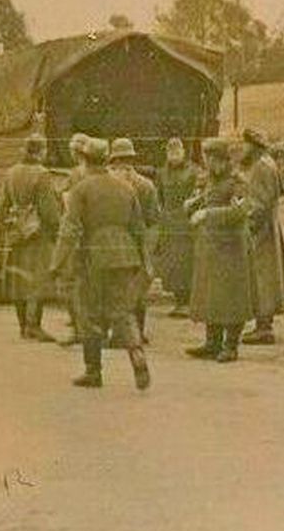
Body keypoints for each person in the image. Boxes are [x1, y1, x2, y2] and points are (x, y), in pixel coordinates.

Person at [48, 138, 151, 389]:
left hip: (94, 258)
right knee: (122, 310)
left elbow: (70, 229)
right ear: (106, 160)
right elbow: (139, 228)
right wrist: (143, 261)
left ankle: (93, 371)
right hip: (125, 257)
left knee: (89, 313)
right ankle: (136, 353)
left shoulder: (81, 190)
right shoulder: (126, 188)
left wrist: (57, 263)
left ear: (84, 160)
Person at [185, 138, 257, 363]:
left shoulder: (238, 182)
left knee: (232, 297)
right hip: (212, 247)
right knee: (211, 295)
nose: (207, 165)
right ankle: (212, 342)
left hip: (232, 249)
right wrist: (195, 204)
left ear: (221, 160)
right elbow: (209, 199)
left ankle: (231, 345)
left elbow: (240, 212)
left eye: (210, 160)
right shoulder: (211, 180)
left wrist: (208, 214)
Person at [0, 134, 61, 342]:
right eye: (44, 149)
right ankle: (34, 326)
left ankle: (22, 326)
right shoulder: (42, 175)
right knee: (38, 279)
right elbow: (49, 211)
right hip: (37, 233)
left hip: (17, 231)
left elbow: (4, 205)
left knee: (19, 279)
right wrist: (57, 228)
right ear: (39, 151)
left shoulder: (11, 173)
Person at [238, 127, 284, 345]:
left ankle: (263, 327)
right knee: (268, 274)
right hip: (270, 227)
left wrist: (247, 222)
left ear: (253, 145)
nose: (242, 149)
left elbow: (259, 204)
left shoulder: (261, 167)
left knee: (262, 275)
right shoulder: (269, 164)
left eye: (245, 144)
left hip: (261, 230)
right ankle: (264, 323)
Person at [109, 137, 160, 344]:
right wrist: (149, 248)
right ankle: (138, 332)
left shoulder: (108, 185)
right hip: (138, 244)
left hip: (116, 244)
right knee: (137, 290)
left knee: (116, 289)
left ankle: (119, 334)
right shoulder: (146, 185)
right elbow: (154, 220)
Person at [155, 137, 200, 318]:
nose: (174, 154)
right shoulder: (161, 173)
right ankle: (178, 300)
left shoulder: (193, 172)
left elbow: (198, 196)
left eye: (177, 150)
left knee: (187, 261)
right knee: (171, 264)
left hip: (186, 222)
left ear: (183, 151)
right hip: (168, 222)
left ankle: (188, 301)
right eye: (170, 151)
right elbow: (159, 197)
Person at [55, 132, 91, 346]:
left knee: (70, 282)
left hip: (77, 235)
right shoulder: (101, 175)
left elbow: (67, 202)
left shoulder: (76, 174)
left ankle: (78, 329)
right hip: (93, 234)